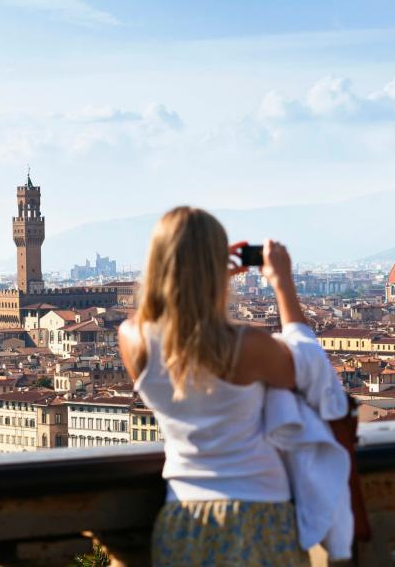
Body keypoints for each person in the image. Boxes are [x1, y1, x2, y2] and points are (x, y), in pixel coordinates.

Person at [119, 206, 310, 566]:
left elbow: (177, 335)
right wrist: (282, 283)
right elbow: (305, 367)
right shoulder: (248, 347)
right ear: (217, 266)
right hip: (261, 515)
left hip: (182, 517)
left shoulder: (133, 340)